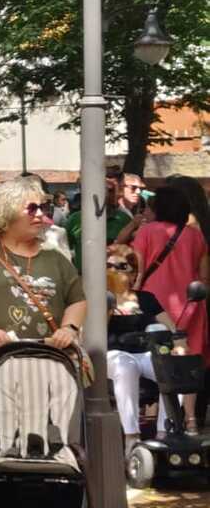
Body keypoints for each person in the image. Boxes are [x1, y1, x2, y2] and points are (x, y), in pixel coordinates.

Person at [0, 177, 87, 370]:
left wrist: (69, 328)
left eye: (42, 207)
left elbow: (77, 299)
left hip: (52, 365)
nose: (40, 214)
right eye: (31, 208)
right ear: (7, 212)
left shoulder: (54, 256)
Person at [132, 184, 209, 432]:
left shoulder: (146, 232)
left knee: (152, 357)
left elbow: (138, 269)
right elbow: (205, 276)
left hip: (153, 302)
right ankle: (190, 421)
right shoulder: (195, 235)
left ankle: (151, 417)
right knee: (189, 363)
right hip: (190, 305)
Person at [105, 244, 177, 459]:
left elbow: (170, 328)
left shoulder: (147, 298)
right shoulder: (98, 298)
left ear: (134, 273)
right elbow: (90, 333)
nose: (113, 270)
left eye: (121, 266)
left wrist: (179, 342)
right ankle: (131, 437)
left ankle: (166, 433)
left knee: (174, 370)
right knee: (125, 366)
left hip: (144, 353)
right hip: (112, 354)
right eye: (108, 266)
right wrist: (108, 304)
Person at [65, 168, 134, 263]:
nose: (115, 194)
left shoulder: (125, 219)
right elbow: (65, 249)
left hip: (114, 275)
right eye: (109, 190)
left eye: (115, 190)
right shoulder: (75, 220)